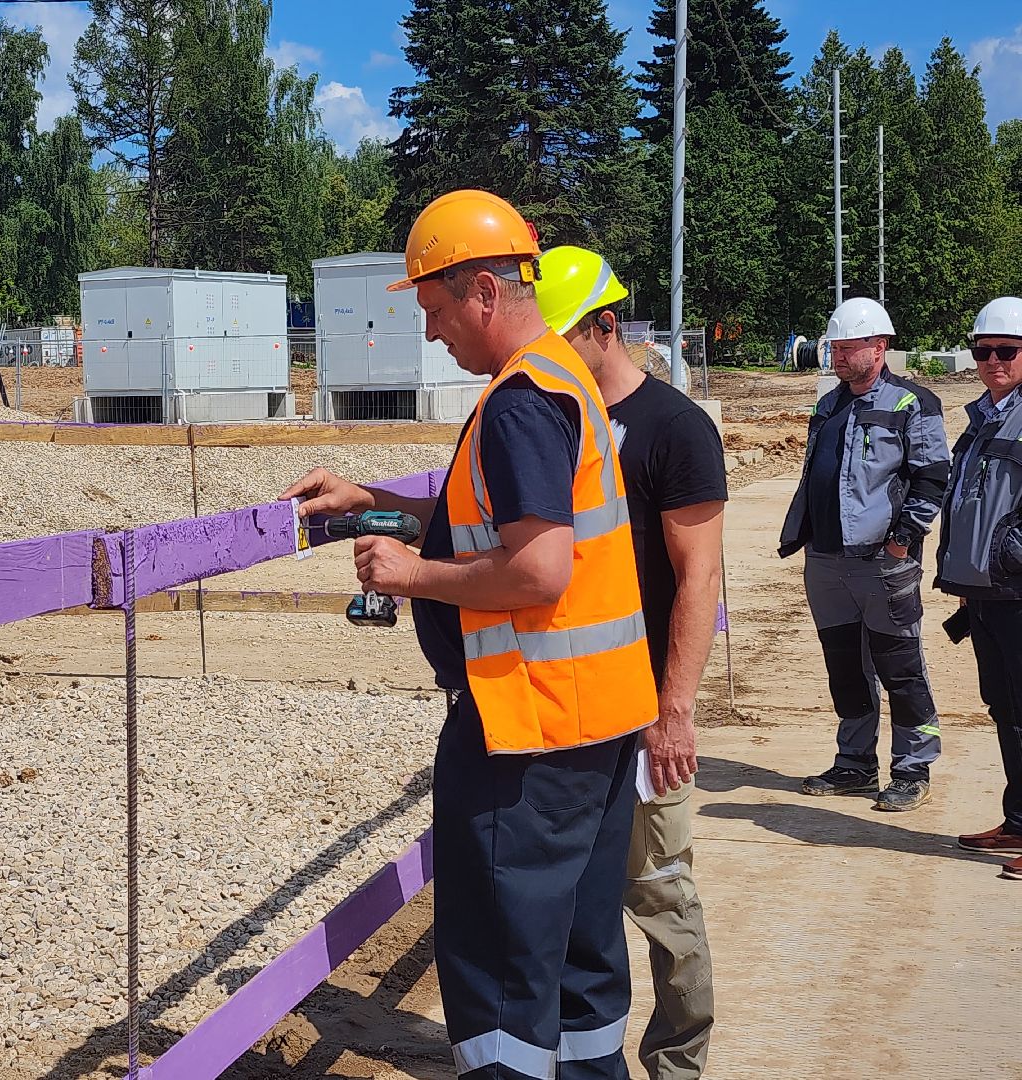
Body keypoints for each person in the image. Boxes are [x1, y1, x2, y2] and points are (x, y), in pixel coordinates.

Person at [283, 190, 658, 1079]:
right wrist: (374, 498)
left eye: (438, 309)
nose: (435, 332)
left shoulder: (519, 405)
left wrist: (409, 575)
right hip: (598, 723)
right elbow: (491, 518)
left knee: (499, 977)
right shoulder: (561, 381)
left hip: (525, 732)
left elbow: (537, 572)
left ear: (485, 290)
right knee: (578, 964)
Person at [535, 246, 724, 1080]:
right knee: (576, 895)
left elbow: (698, 578)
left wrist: (673, 711)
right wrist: (378, 498)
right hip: (576, 701)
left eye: (562, 337)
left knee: (658, 891)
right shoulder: (556, 418)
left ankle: (678, 1061)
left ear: (606, 327)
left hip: (645, 703)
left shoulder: (674, 429)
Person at [777, 297, 951, 811]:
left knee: (900, 665)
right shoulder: (828, 404)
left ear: (880, 347)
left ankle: (913, 766)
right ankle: (854, 764)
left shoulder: (912, 403)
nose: (837, 357)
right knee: (845, 667)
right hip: (827, 560)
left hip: (882, 562)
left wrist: (901, 541)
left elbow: (932, 478)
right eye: (835, 348)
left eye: (848, 349)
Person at [936, 296, 1022, 879]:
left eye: (1007, 351)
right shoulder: (983, 417)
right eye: (983, 350)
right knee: (1006, 710)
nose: (993, 361)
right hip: (988, 592)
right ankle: (1017, 819)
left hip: (1018, 589)